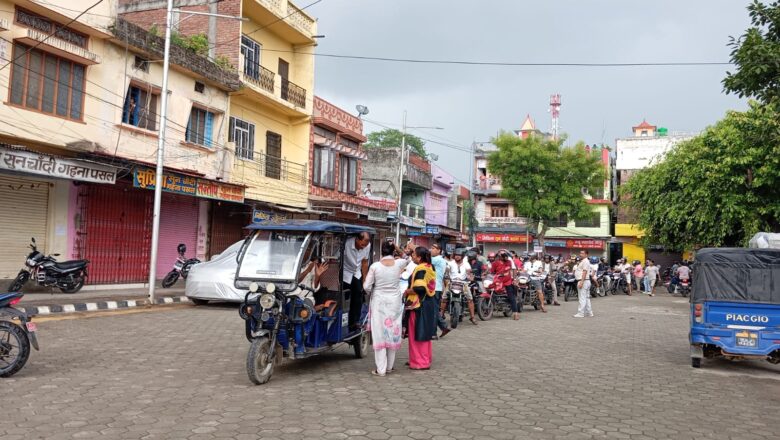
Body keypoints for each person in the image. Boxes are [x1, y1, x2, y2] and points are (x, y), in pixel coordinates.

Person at [363, 242, 408, 376]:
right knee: (392, 331)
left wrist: (372, 291)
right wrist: (397, 248)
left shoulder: (375, 266)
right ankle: (389, 367)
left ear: (381, 252)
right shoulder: (399, 263)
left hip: (379, 302)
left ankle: (380, 369)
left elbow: (366, 286)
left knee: (380, 333)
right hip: (394, 301)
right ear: (393, 252)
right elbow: (407, 257)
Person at [403, 247, 437, 370]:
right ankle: (424, 358)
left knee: (417, 333)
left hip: (418, 305)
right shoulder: (430, 266)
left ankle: (419, 362)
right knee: (424, 333)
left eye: (414, 255)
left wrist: (407, 292)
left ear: (419, 257)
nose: (412, 256)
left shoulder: (421, 269)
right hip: (428, 303)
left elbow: (420, 288)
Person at [343, 232, 371, 329]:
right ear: (357, 239)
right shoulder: (346, 244)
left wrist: (365, 279)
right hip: (345, 272)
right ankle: (343, 321)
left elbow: (364, 262)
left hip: (357, 273)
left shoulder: (367, 246)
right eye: (362, 244)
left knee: (358, 296)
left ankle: (355, 322)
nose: (363, 247)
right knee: (344, 298)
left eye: (365, 245)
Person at [444, 248, 478, 325]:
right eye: (456, 255)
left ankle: (472, 317)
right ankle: (441, 314)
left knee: (470, 299)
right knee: (444, 298)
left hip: (464, 284)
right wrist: (446, 274)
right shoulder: (450, 263)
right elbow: (447, 270)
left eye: (459, 255)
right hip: (452, 282)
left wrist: (470, 276)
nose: (457, 257)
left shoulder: (466, 264)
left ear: (462, 256)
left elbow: (469, 272)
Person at [430, 244, 452, 338]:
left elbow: (423, 258)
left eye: (434, 248)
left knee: (433, 311)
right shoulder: (439, 260)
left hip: (435, 288)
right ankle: (444, 327)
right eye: (432, 247)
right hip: (435, 288)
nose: (431, 250)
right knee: (433, 311)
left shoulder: (437, 259)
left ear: (439, 251)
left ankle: (434, 333)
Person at [496, 251, 520, 320]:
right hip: (498, 279)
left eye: (502, 255)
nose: (501, 256)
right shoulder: (497, 260)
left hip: (508, 280)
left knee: (511, 296)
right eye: (499, 255)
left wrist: (514, 279)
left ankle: (516, 313)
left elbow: (514, 269)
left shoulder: (509, 260)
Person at [574, 251, 593, 318]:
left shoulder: (585, 261)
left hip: (583, 281)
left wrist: (581, 282)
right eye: (580, 253)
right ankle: (589, 312)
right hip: (586, 281)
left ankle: (581, 313)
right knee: (586, 298)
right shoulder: (584, 261)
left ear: (586, 254)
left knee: (582, 298)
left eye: (582, 253)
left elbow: (584, 272)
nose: (580, 254)